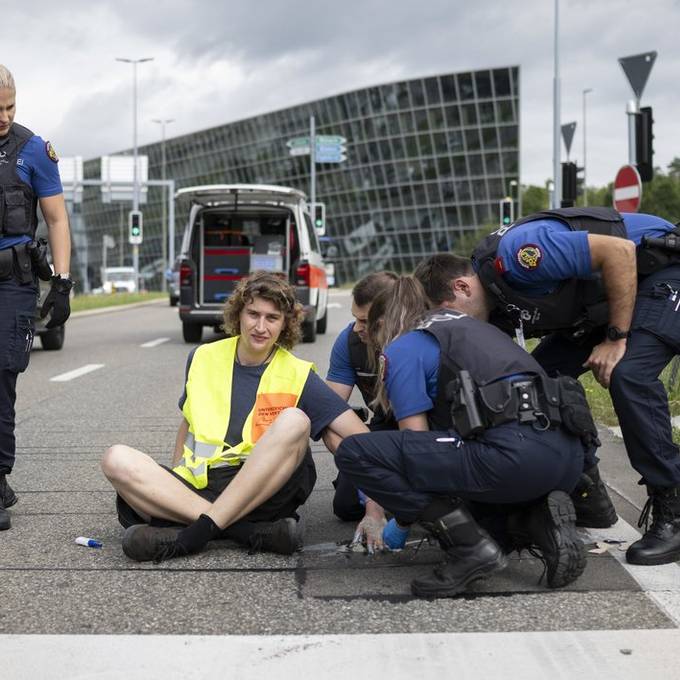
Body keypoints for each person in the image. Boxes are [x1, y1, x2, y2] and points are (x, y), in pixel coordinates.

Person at [449, 206, 680, 566]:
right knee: (535, 386)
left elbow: (619, 254)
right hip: (607, 299)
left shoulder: (518, 256)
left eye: (451, 315)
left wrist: (616, 338)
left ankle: (673, 507)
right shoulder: (492, 305)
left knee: (629, 374)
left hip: (661, 270)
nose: (455, 328)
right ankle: (587, 494)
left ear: (461, 288)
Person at [335, 276, 590, 598]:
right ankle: (532, 522)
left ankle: (471, 549)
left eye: (368, 329)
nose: (365, 338)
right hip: (567, 460)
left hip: (513, 457)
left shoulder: (404, 346)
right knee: (485, 524)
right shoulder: (471, 327)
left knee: (355, 452)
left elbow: (416, 450)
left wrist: (401, 521)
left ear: (383, 323)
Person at [101, 271, 382, 561]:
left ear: (285, 324)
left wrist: (375, 510)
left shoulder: (298, 373)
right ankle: (245, 532)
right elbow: (188, 422)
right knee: (115, 458)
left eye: (272, 318)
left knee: (296, 420)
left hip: (262, 493)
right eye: (253, 314)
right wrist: (172, 481)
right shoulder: (202, 357)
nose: (260, 327)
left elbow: (361, 439)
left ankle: (191, 534)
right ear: (239, 314)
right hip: (202, 486)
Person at [0, 65, 72, 531]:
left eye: (9, 107)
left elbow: (57, 219)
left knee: (2, 371)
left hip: (13, 281)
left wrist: (62, 283)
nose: (3, 117)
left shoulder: (32, 149)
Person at [326, 271, 398, 521]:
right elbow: (328, 409)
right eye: (355, 318)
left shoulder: (421, 339)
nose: (358, 328)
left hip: (428, 431)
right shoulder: (349, 342)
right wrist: (365, 462)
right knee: (346, 507)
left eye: (365, 321)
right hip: (380, 429)